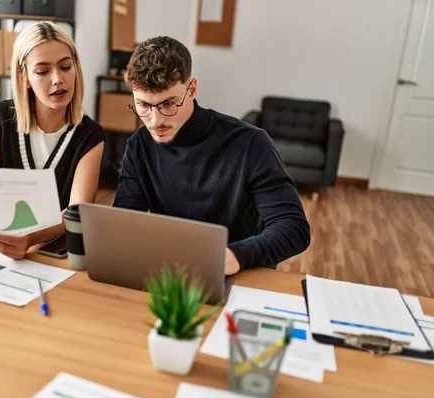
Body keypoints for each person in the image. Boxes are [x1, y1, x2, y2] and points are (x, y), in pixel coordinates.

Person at [113, 36, 310, 275]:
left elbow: (293, 227)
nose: (156, 121)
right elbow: (123, 224)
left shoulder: (250, 143)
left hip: (239, 273)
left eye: (168, 104)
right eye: (143, 106)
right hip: (171, 271)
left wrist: (235, 255)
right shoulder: (139, 147)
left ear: (192, 89)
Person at [0, 22, 105, 259]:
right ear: (24, 77)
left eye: (65, 67)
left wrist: (30, 239)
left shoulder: (90, 136)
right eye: (43, 71)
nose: (58, 79)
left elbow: (77, 211)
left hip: (50, 256)